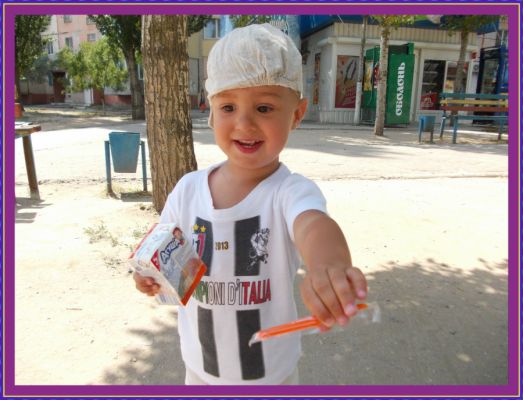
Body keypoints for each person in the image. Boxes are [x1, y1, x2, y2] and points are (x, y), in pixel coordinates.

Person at [133, 23, 367, 385]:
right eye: (228, 106)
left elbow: (312, 225)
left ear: (297, 114)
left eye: (263, 107)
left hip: (272, 377)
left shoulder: (289, 191)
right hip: (200, 371)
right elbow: (163, 251)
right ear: (211, 112)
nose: (244, 123)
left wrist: (328, 264)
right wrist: (149, 276)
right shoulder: (187, 190)